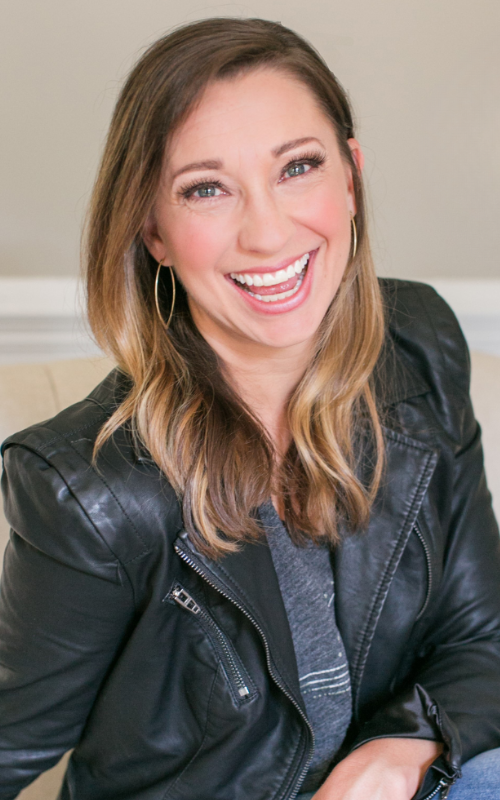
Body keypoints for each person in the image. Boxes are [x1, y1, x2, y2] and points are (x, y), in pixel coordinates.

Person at [1, 17, 499, 800]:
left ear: (352, 179)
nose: (268, 233)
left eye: (298, 167)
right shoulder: (89, 491)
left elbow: (482, 637)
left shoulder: (418, 347)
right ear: (152, 232)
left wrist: (405, 742)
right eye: (207, 188)